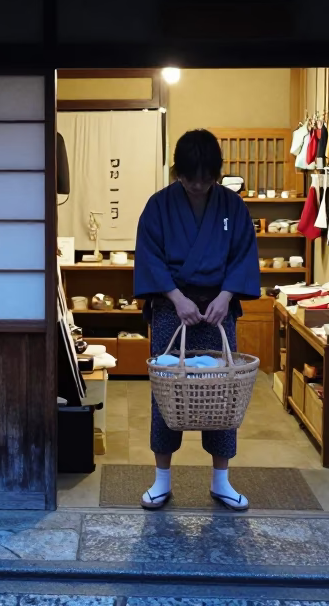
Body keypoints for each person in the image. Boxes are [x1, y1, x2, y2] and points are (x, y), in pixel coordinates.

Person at [133, 128, 260, 511]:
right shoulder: (158, 206)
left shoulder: (232, 206)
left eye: (207, 178)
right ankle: (161, 480)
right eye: (191, 178)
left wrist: (226, 296)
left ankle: (221, 481)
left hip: (219, 309)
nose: (200, 185)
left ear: (217, 174)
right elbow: (149, 256)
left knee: (223, 392)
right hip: (174, 310)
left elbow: (242, 255)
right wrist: (175, 297)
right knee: (168, 392)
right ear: (178, 173)